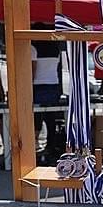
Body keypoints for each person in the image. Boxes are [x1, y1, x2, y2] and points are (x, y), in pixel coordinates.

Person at [30, 22, 64, 155]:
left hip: (37, 85)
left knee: (36, 115)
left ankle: (35, 143)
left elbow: (33, 70)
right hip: (53, 84)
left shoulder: (32, 48)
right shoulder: (56, 49)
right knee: (51, 117)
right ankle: (51, 144)